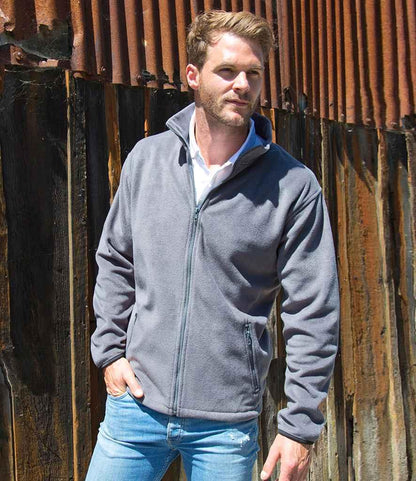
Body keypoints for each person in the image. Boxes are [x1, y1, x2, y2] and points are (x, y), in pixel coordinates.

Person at [86, 10, 339, 481]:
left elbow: (313, 310)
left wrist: (300, 428)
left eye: (253, 73)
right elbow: (117, 260)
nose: (242, 84)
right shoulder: (147, 160)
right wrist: (110, 353)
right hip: (134, 408)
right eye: (227, 70)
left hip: (225, 426)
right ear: (193, 75)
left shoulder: (293, 187)